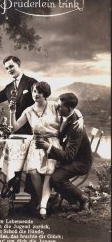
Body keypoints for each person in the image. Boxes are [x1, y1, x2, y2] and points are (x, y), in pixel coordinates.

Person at [9, 82, 84, 219]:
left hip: (53, 143)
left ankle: (42, 206)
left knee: (49, 172)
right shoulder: (28, 110)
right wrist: (12, 111)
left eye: (39, 92)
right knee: (32, 171)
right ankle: (44, 200)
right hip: (36, 144)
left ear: (45, 94)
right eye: (33, 91)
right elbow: (14, 127)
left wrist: (80, 119)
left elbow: (72, 109)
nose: (35, 94)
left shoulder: (54, 106)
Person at [36, 92, 92, 214]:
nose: (57, 108)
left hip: (80, 162)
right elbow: (73, 114)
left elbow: (68, 156)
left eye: (60, 106)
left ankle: (83, 198)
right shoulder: (68, 114)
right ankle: (47, 199)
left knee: (55, 179)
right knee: (43, 167)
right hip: (72, 158)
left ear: (69, 108)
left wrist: (48, 147)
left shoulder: (76, 128)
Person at [0, 55, 37, 134]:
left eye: (11, 66)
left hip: (32, 128)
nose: (9, 70)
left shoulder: (31, 82)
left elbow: (40, 104)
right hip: (16, 129)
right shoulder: (9, 87)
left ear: (18, 65)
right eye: (7, 68)